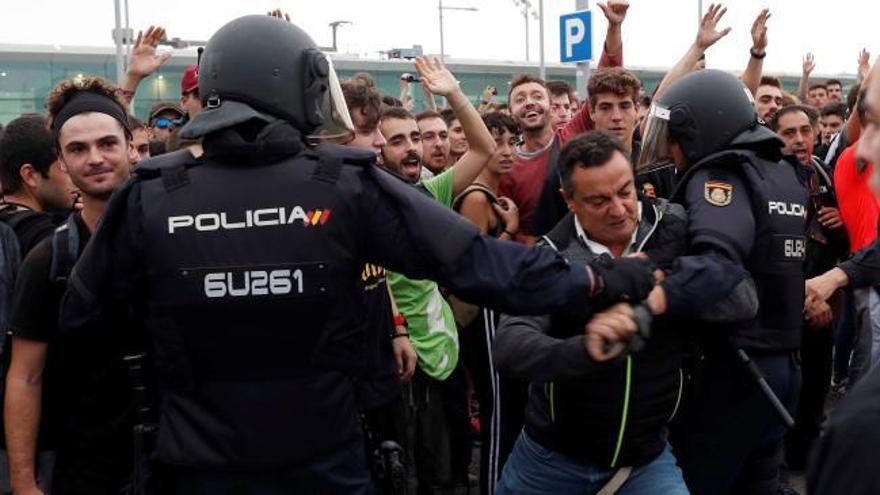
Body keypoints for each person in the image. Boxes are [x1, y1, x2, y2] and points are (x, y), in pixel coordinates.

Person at [58, 16, 655, 494]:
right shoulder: (342, 184)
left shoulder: (150, 196)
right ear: (293, 86)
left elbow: (82, 318)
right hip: (324, 460)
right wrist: (599, 280)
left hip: (196, 464)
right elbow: (477, 264)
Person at [639, 68, 809, 495]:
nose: (672, 152)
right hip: (782, 366)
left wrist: (651, 291)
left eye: (676, 137)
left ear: (701, 131)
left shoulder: (720, 177)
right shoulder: (781, 172)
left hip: (737, 371)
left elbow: (720, 266)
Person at [5, 76, 136, 495]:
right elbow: (25, 378)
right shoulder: (49, 259)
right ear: (61, 162)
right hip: (85, 471)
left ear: (130, 146)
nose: (95, 158)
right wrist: (24, 483)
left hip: (177, 463)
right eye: (78, 149)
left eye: (107, 143)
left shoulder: (173, 238)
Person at [500, 0, 628, 244]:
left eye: (537, 96)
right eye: (520, 98)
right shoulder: (505, 165)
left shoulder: (571, 136)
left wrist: (614, 27)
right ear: (510, 111)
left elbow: (605, 78)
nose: (529, 102)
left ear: (551, 105)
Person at [452, 111, 524, 494]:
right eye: (498, 142)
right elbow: (478, 269)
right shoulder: (477, 197)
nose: (507, 151)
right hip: (482, 316)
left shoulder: (491, 193)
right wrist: (510, 230)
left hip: (492, 315)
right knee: (498, 407)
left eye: (513, 142)